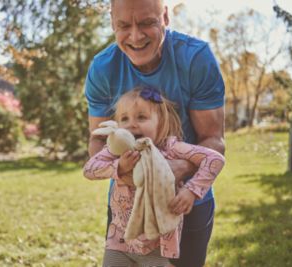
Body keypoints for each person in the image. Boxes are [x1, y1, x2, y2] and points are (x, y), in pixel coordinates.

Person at [84, 0, 225, 266]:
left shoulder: (195, 58)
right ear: (113, 22)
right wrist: (120, 171)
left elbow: (213, 140)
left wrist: (173, 171)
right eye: (124, 25)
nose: (135, 36)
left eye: (147, 22)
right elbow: (98, 140)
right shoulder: (102, 69)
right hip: (126, 209)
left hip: (185, 204)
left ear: (166, 17)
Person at [83, 87, 225, 266]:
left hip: (158, 247)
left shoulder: (172, 149)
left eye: (141, 117)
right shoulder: (116, 151)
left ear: (161, 122)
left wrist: (191, 190)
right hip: (119, 241)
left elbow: (215, 158)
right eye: (124, 118)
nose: (132, 124)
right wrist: (119, 167)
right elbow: (89, 169)